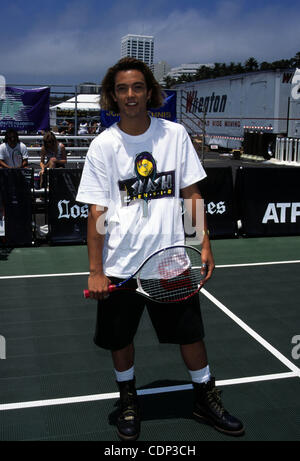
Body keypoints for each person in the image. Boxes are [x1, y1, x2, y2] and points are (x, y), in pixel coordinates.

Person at [76, 57, 244, 441]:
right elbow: (97, 213)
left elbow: (191, 194)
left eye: (137, 87)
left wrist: (204, 241)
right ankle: (129, 399)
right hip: (121, 266)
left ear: (150, 91)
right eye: (122, 89)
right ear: (112, 96)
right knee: (119, 340)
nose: (130, 95)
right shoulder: (104, 146)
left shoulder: (175, 135)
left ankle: (204, 397)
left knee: (190, 335)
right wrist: (96, 269)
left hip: (169, 262)